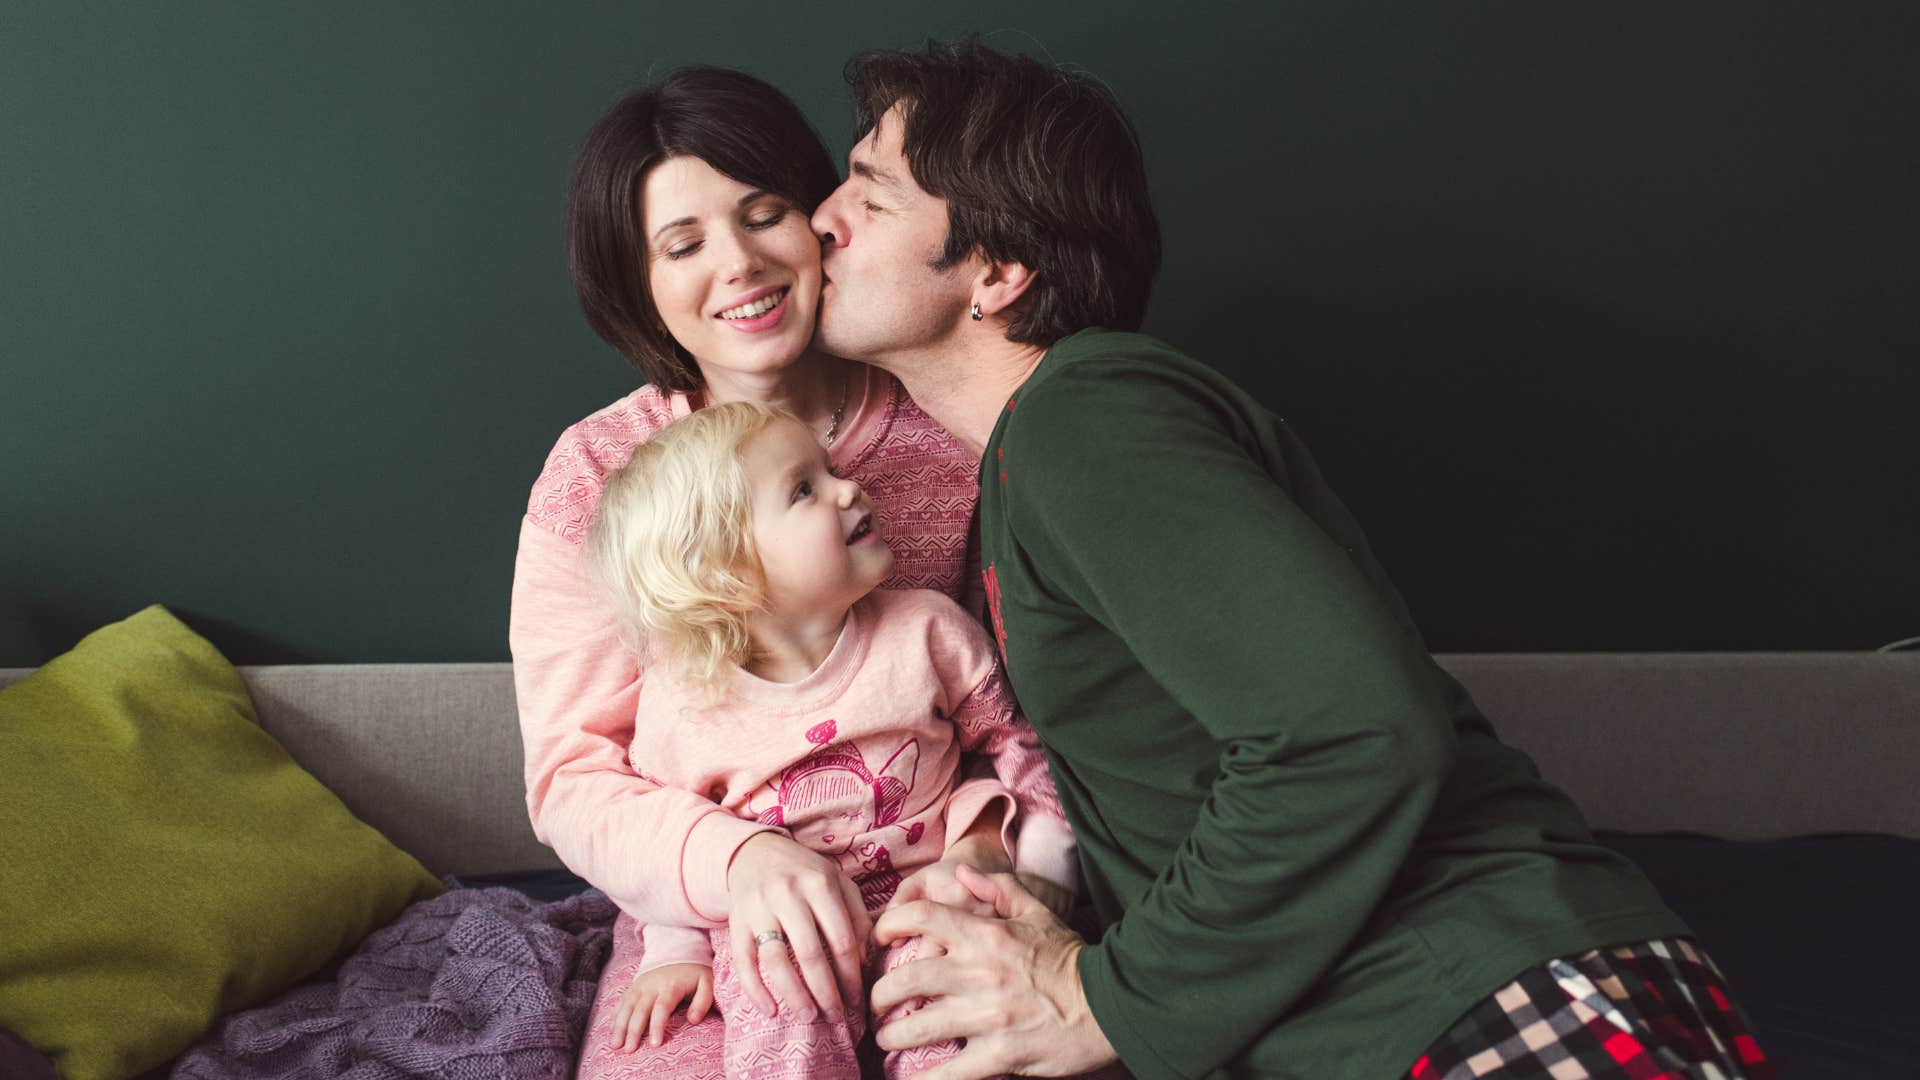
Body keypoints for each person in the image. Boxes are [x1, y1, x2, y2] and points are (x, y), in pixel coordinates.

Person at [801, 38, 1777, 1080]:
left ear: (995, 270)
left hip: (1478, 992)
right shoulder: (1024, 477)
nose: (822, 217)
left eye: (870, 189)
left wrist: (1103, 1002)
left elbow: (1354, 729)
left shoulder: (1082, 416)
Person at [507, 67, 1025, 1075]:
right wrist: (736, 861)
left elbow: (1027, 706)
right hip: (717, 927)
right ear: (640, 285)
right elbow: (574, 774)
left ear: (822, 221)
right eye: (684, 245)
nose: (739, 265)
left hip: (943, 880)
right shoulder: (599, 475)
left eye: (764, 215)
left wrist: (996, 855)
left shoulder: (949, 413)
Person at [580, 401, 1074, 1075]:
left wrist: (1032, 869)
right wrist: (677, 956)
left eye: (831, 468)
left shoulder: (929, 634)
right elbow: (664, 843)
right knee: (774, 1005)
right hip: (783, 929)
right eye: (804, 489)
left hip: (926, 903)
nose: (848, 488)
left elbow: (1021, 744)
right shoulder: (683, 702)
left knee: (954, 1025)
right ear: (728, 574)